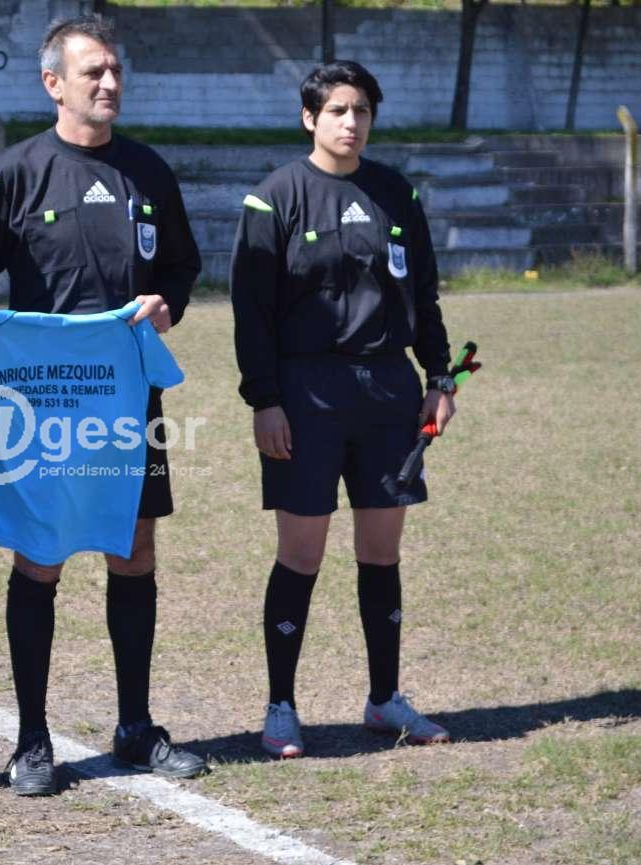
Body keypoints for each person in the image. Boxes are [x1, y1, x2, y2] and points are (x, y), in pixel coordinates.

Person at [0, 14, 207, 795]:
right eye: (92, 71)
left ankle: (135, 726)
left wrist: (168, 304)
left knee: (134, 548)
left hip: (126, 401)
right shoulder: (9, 176)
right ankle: (32, 741)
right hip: (41, 404)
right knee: (39, 554)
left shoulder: (149, 172)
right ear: (53, 83)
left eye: (115, 70)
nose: (108, 82)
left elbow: (181, 266)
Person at [229, 60, 456, 760]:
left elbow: (423, 294)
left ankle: (384, 697)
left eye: (361, 111)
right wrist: (265, 400)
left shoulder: (396, 193)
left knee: (381, 551)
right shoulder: (275, 198)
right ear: (310, 118)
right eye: (337, 110)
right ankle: (281, 705)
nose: (351, 123)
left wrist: (439, 376)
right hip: (307, 394)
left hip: (388, 391)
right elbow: (251, 313)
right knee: (301, 553)